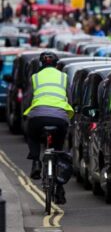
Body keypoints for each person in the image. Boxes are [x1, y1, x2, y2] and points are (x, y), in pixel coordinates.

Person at [23, 52, 74, 204]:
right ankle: (59, 189)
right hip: (59, 119)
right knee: (58, 149)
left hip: (38, 117)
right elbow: (70, 100)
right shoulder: (64, 77)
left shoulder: (35, 77)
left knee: (32, 135)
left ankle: (36, 162)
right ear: (57, 65)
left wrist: (25, 114)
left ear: (40, 65)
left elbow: (28, 98)